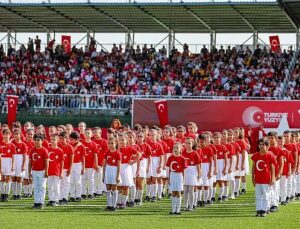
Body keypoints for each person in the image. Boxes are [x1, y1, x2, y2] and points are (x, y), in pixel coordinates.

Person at [251, 139, 275, 217]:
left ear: (267, 146)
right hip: (258, 179)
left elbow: (272, 167)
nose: (261, 146)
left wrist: (273, 178)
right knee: (258, 195)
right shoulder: (256, 155)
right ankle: (258, 210)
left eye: (263, 145)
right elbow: (253, 167)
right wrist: (252, 178)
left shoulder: (270, 155)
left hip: (266, 179)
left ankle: (264, 210)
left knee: (266, 195)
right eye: (260, 144)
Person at [28, 134, 49, 209]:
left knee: (42, 187)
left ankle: (41, 202)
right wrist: (29, 171)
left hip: (42, 171)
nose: (36, 142)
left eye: (38, 140)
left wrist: (46, 171)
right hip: (34, 171)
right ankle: (36, 202)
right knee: (36, 187)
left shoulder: (44, 150)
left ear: (42, 141)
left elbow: (46, 162)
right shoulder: (32, 150)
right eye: (35, 140)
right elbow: (30, 162)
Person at [166, 142, 187, 215]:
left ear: (181, 149)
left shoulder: (182, 158)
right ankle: (173, 209)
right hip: (172, 175)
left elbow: (184, 170)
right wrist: (168, 177)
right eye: (174, 148)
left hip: (179, 175)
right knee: (173, 192)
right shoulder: (170, 157)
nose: (175, 149)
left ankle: (178, 210)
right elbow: (168, 168)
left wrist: (184, 179)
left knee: (178, 192)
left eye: (177, 148)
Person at [182, 137, 201, 211]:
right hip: (185, 171)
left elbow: (198, 164)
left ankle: (191, 205)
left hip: (192, 171)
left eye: (189, 143)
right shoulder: (183, 152)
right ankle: (185, 205)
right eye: (186, 143)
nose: (187, 145)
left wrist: (199, 174)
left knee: (191, 189)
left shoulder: (195, 153)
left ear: (192, 144)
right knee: (185, 189)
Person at [103, 136, 121, 211]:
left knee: (114, 188)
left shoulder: (118, 153)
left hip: (114, 170)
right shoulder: (107, 152)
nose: (110, 145)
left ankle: (114, 205)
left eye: (112, 143)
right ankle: (109, 205)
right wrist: (103, 175)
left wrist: (117, 176)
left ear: (116, 143)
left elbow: (119, 166)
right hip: (108, 170)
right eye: (109, 143)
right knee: (108, 188)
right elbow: (104, 164)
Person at [47, 135, 64, 206]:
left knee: (56, 186)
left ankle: (56, 200)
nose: (52, 141)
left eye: (54, 140)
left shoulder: (60, 150)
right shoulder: (48, 150)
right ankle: (51, 199)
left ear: (57, 141)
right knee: (50, 186)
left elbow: (62, 162)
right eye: (51, 140)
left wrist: (61, 172)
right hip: (49, 171)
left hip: (56, 171)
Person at [81, 129, 98, 199]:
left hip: (91, 165)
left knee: (91, 179)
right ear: (84, 135)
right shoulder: (81, 143)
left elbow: (95, 155)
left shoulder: (94, 144)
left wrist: (96, 164)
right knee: (83, 179)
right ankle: (83, 193)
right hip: (83, 165)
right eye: (86, 133)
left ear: (91, 135)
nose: (87, 135)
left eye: (88, 133)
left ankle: (91, 193)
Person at [69, 131, 85, 202]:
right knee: (71, 181)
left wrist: (83, 168)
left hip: (78, 164)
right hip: (71, 164)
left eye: (72, 139)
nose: (70, 140)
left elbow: (83, 158)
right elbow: (71, 152)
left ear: (77, 139)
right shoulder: (70, 145)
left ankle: (78, 196)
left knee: (78, 181)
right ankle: (72, 195)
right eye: (70, 139)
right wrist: (76, 146)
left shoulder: (82, 146)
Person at [11, 129, 27, 200]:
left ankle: (19, 194)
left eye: (17, 134)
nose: (16, 135)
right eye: (14, 134)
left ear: (20, 135)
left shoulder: (23, 144)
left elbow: (24, 157)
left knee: (19, 178)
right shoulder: (12, 143)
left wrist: (23, 166)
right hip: (13, 160)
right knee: (13, 178)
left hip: (20, 161)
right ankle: (14, 194)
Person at [58, 131, 74, 205]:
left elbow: (71, 159)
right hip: (59, 168)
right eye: (60, 138)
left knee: (66, 183)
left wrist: (70, 169)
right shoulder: (58, 146)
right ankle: (60, 198)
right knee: (60, 184)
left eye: (62, 138)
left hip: (67, 168)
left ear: (66, 138)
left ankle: (65, 198)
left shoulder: (69, 147)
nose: (61, 140)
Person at [0, 129, 16, 202]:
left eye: (7, 134)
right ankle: (2, 194)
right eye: (5, 134)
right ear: (2, 135)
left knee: (8, 179)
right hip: (2, 161)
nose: (6, 136)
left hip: (9, 162)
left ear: (10, 135)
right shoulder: (0, 144)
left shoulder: (12, 145)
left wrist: (13, 166)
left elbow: (13, 157)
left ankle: (6, 194)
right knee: (2, 178)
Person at [92, 127, 108, 196]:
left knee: (101, 177)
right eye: (94, 132)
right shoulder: (92, 141)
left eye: (96, 132)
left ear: (100, 133)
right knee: (94, 178)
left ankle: (101, 190)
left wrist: (103, 162)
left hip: (101, 163)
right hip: (93, 164)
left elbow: (106, 153)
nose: (95, 133)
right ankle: (95, 191)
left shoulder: (104, 141)